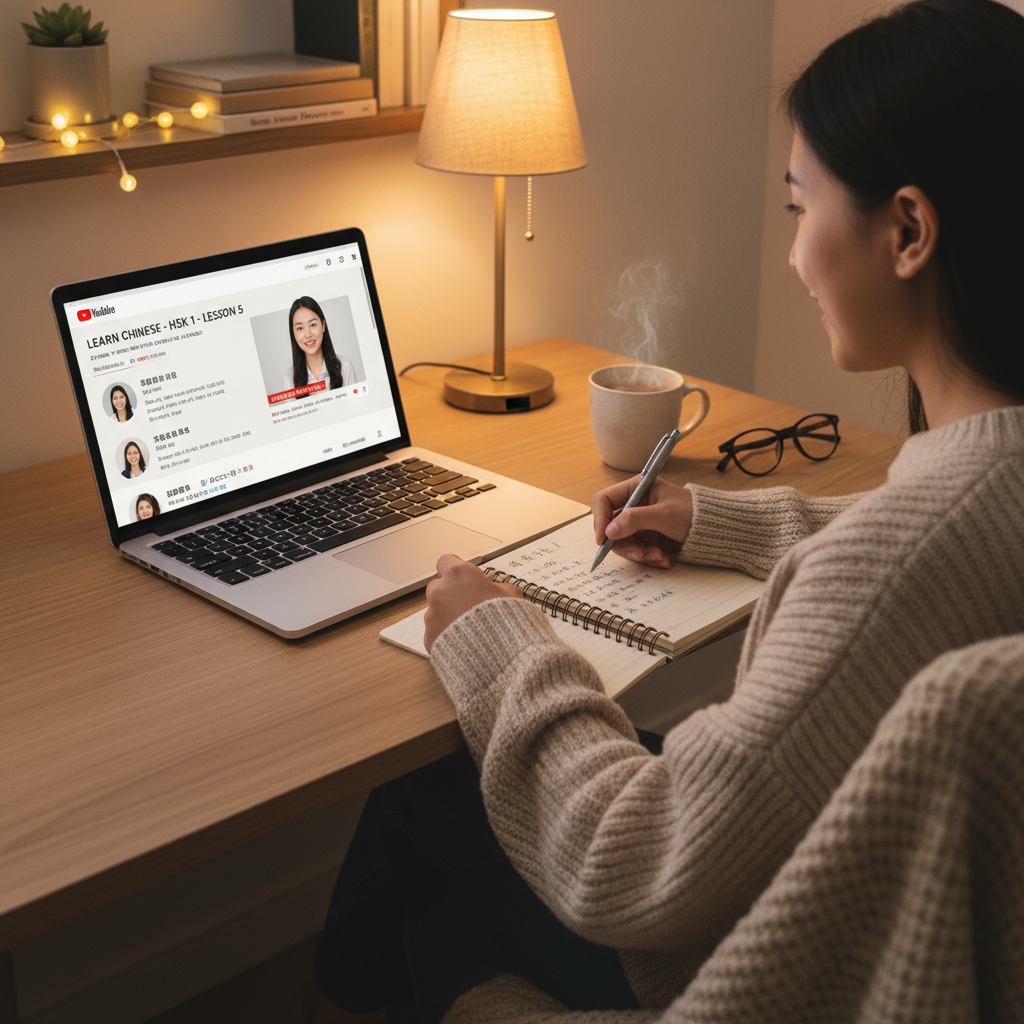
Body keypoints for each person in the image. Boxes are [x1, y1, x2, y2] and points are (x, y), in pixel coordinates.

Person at [312, 2, 1024, 1022]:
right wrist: (723, 520)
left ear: (907, 231)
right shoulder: (981, 487)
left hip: (750, 965)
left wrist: (498, 640)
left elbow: (631, 861)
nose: (791, 258)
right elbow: (933, 548)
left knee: (413, 819)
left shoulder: (893, 561)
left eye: (796, 208)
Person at [283, 296, 356, 397]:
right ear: (293, 333)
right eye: (300, 328)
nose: (308, 334)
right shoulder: (289, 378)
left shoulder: (345, 366)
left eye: (312, 325)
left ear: (323, 325)